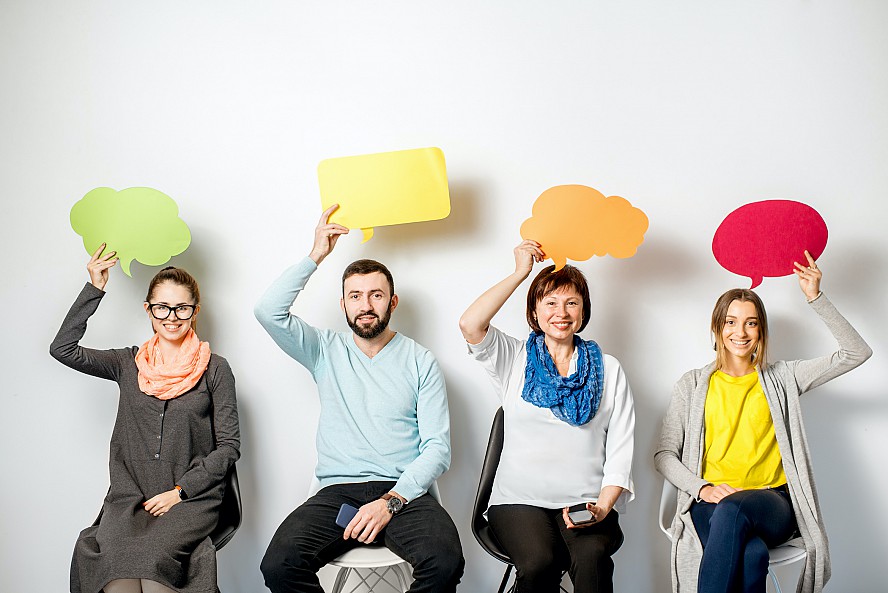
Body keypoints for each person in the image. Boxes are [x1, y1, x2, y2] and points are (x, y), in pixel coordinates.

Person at [255, 205, 464, 593]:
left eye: (376, 295)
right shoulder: (323, 350)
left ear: (392, 302)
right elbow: (268, 312)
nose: (365, 305)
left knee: (445, 561)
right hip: (337, 494)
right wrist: (316, 254)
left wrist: (392, 500)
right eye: (355, 296)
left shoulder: (421, 360)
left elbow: (438, 448)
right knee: (279, 565)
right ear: (344, 305)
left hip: (403, 491)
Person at [655, 251, 872, 593]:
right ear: (716, 327)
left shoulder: (783, 377)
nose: (740, 332)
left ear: (761, 330)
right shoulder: (692, 385)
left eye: (751, 322)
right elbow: (665, 454)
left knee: (733, 513)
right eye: (730, 321)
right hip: (710, 501)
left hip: (772, 503)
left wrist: (815, 297)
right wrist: (702, 488)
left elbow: (855, 352)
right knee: (752, 554)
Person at [50, 245, 241, 593]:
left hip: (190, 499)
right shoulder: (127, 363)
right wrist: (95, 287)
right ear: (148, 310)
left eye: (182, 308)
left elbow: (228, 447)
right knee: (112, 565)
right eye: (162, 307)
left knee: (153, 566)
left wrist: (181, 493)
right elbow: (62, 348)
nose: (172, 316)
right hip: (129, 499)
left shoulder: (215, 368)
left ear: (195, 311)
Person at [459, 240, 635, 593]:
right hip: (518, 500)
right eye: (550, 302)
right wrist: (520, 273)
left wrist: (602, 507)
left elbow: (621, 449)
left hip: (585, 501)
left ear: (583, 312)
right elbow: (470, 324)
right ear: (535, 313)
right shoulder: (514, 358)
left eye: (572, 302)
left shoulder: (610, 369)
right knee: (540, 562)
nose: (562, 312)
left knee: (592, 559)